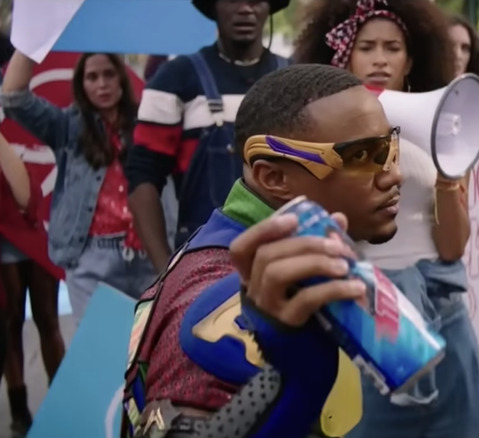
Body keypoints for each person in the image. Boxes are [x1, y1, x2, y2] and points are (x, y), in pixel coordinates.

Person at [122, 64, 403, 438]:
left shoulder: (236, 246)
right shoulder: (222, 318)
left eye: (390, 145)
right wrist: (295, 389)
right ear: (274, 177)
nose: (392, 174)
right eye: (362, 156)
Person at [294, 1, 479, 436]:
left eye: (392, 47)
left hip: (445, 313)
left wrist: (447, 180)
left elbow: (454, 247)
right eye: (367, 47)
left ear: (411, 60)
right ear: (344, 55)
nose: (380, 58)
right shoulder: (321, 137)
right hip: (371, 317)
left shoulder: (443, 130)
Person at [125, 0, 291, 273]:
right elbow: (142, 178)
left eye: (256, 1)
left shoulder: (295, 80)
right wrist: (165, 269)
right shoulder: (174, 79)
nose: (245, 9)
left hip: (285, 255)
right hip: (201, 261)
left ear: (269, 8)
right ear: (213, 7)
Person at [1, 50, 155, 321]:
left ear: (122, 78)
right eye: (92, 77)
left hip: (147, 254)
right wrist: (31, 39)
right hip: (91, 259)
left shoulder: (150, 123)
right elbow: (13, 97)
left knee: (150, 354)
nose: (102, 84)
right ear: (81, 85)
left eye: (109, 74)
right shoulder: (67, 126)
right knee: (102, 355)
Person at [0, 123, 66, 436]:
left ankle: (62, 402)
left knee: (47, 318)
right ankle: (18, 409)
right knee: (8, 322)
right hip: (3, 238)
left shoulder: (23, 108)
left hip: (37, 229)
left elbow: (29, 189)